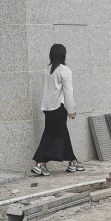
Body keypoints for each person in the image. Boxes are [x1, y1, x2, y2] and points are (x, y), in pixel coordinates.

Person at [31, 44, 85, 176]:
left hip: (47, 108)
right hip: (59, 108)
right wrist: (71, 111)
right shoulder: (64, 70)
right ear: (63, 55)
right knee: (51, 135)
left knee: (61, 134)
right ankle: (40, 163)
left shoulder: (47, 69)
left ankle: (72, 161)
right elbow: (68, 92)